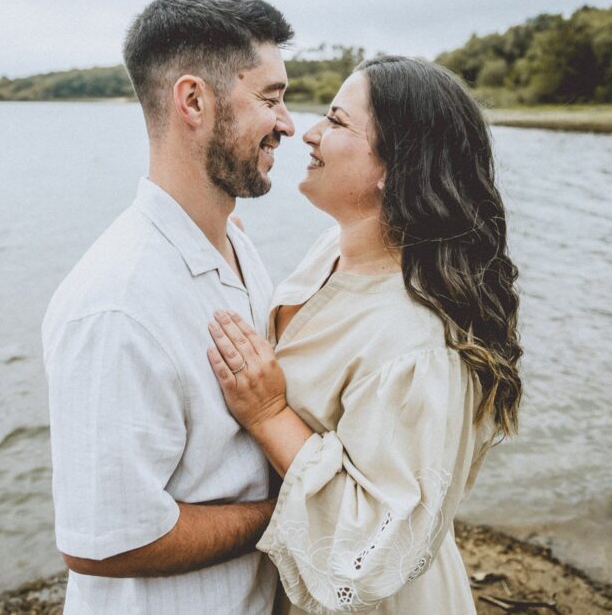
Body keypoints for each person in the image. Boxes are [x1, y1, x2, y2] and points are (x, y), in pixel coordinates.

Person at [206, 56, 523, 613]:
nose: (309, 132)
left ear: (395, 167)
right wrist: (221, 245)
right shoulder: (335, 248)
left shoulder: (419, 345)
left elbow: (376, 546)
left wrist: (268, 415)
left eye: (336, 121)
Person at [41, 0, 296, 614]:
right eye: (270, 98)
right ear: (193, 101)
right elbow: (106, 542)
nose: (288, 124)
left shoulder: (233, 241)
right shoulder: (118, 303)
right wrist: (290, 515)